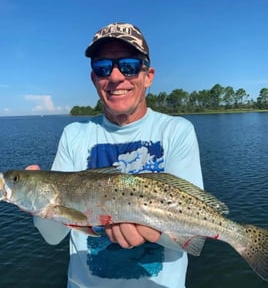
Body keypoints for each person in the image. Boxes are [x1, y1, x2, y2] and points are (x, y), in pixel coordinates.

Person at [30, 22, 204, 288]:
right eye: (102, 68)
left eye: (129, 65)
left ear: (148, 76)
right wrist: (34, 201)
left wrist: (152, 230)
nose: (115, 77)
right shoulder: (74, 134)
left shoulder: (176, 131)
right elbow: (53, 236)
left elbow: (192, 234)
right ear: (93, 79)